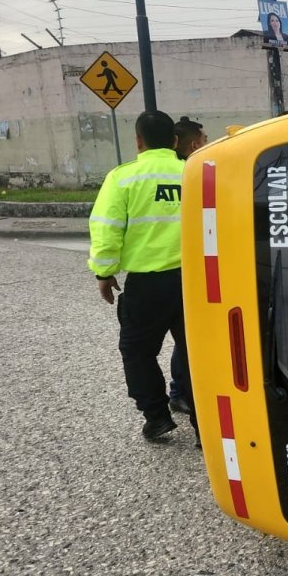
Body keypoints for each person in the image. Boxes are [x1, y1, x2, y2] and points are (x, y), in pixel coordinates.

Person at [88, 110, 195, 442]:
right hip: (196, 282)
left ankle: (157, 417)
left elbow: (106, 231)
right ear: (175, 141)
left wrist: (104, 274)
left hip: (147, 286)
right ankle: (206, 425)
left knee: (138, 353)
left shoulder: (123, 178)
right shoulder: (195, 173)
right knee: (197, 352)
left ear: (138, 141)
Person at [166, 116, 207, 416]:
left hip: (157, 272)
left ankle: (178, 393)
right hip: (188, 271)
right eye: (204, 140)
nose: (207, 144)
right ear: (194, 144)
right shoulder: (192, 176)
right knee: (188, 337)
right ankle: (180, 392)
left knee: (185, 337)